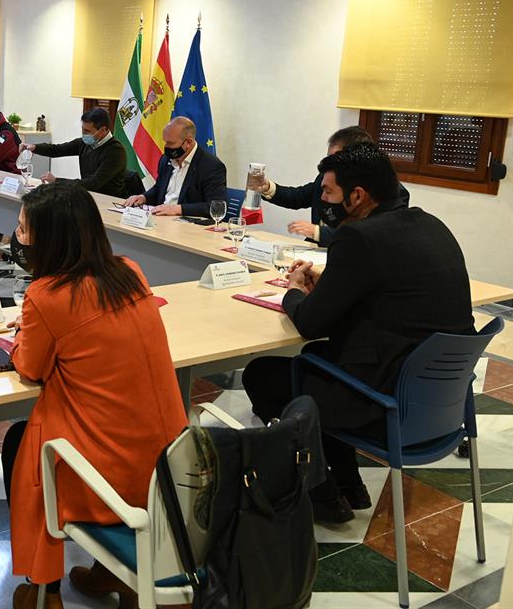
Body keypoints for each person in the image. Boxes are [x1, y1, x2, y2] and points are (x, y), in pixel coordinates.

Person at [241, 143, 474, 524]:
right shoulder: (432, 225)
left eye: (329, 193)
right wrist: (331, 284)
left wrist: (294, 292)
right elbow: (388, 292)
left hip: (384, 402)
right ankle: (350, 484)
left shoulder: (359, 238)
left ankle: (322, 493)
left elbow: (312, 323)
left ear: (358, 196)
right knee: (323, 364)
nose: (323, 200)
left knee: (265, 375)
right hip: (439, 404)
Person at [1, 181, 188, 609]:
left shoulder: (45, 296)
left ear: (50, 239)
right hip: (166, 460)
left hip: (109, 470)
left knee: (19, 442)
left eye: (24, 229)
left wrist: (25, 334)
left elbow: (30, 368)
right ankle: (108, 572)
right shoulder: (129, 271)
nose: (18, 236)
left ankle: (43, 588)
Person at [251, 125, 411, 246]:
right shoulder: (327, 177)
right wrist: (266, 187)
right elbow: (298, 197)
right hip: (314, 254)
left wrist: (317, 232)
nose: (330, 165)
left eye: (336, 159)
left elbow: (373, 238)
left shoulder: (390, 192)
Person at [123, 115, 227, 217]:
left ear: (188, 142)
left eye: (171, 143)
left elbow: (216, 207)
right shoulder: (166, 159)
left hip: (187, 225)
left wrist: (178, 209)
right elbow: (159, 188)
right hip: (160, 219)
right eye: (165, 142)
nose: (166, 147)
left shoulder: (211, 166)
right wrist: (143, 197)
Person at [20, 107, 129, 198]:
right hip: (88, 196)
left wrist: (57, 181)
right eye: (82, 129)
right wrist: (34, 147)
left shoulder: (116, 151)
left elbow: (93, 183)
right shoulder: (84, 143)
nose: (83, 134)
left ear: (103, 130)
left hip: (108, 201)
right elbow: (57, 150)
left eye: (87, 131)